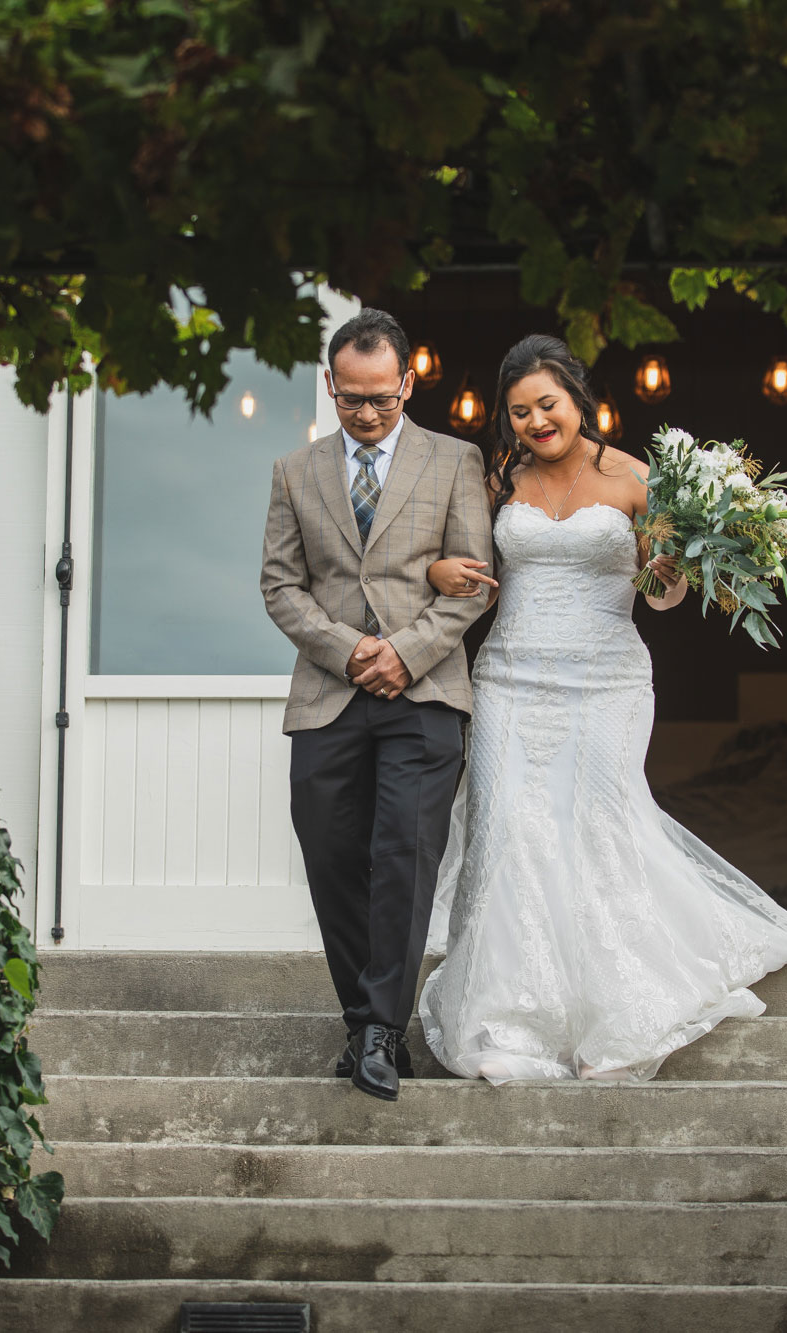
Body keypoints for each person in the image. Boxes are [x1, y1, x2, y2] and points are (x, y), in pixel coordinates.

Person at [415, 334, 787, 1084]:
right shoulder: (499, 479)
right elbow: (458, 554)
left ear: (577, 396)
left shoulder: (636, 477)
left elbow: (667, 593)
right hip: (510, 678)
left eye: (548, 404)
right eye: (520, 411)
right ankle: (508, 1022)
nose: (536, 421)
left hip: (608, 681)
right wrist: (442, 568)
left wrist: (665, 573)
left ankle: (616, 1016)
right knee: (507, 831)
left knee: (601, 828)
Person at [260, 308, 494, 1102]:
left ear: (407, 382)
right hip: (329, 693)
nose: (365, 414)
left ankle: (380, 1033)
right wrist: (349, 649)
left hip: (424, 693)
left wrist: (407, 651)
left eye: (381, 399)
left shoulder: (456, 460)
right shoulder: (295, 472)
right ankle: (365, 1018)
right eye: (351, 399)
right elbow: (280, 587)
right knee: (331, 856)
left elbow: (473, 580)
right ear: (331, 385)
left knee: (404, 855)